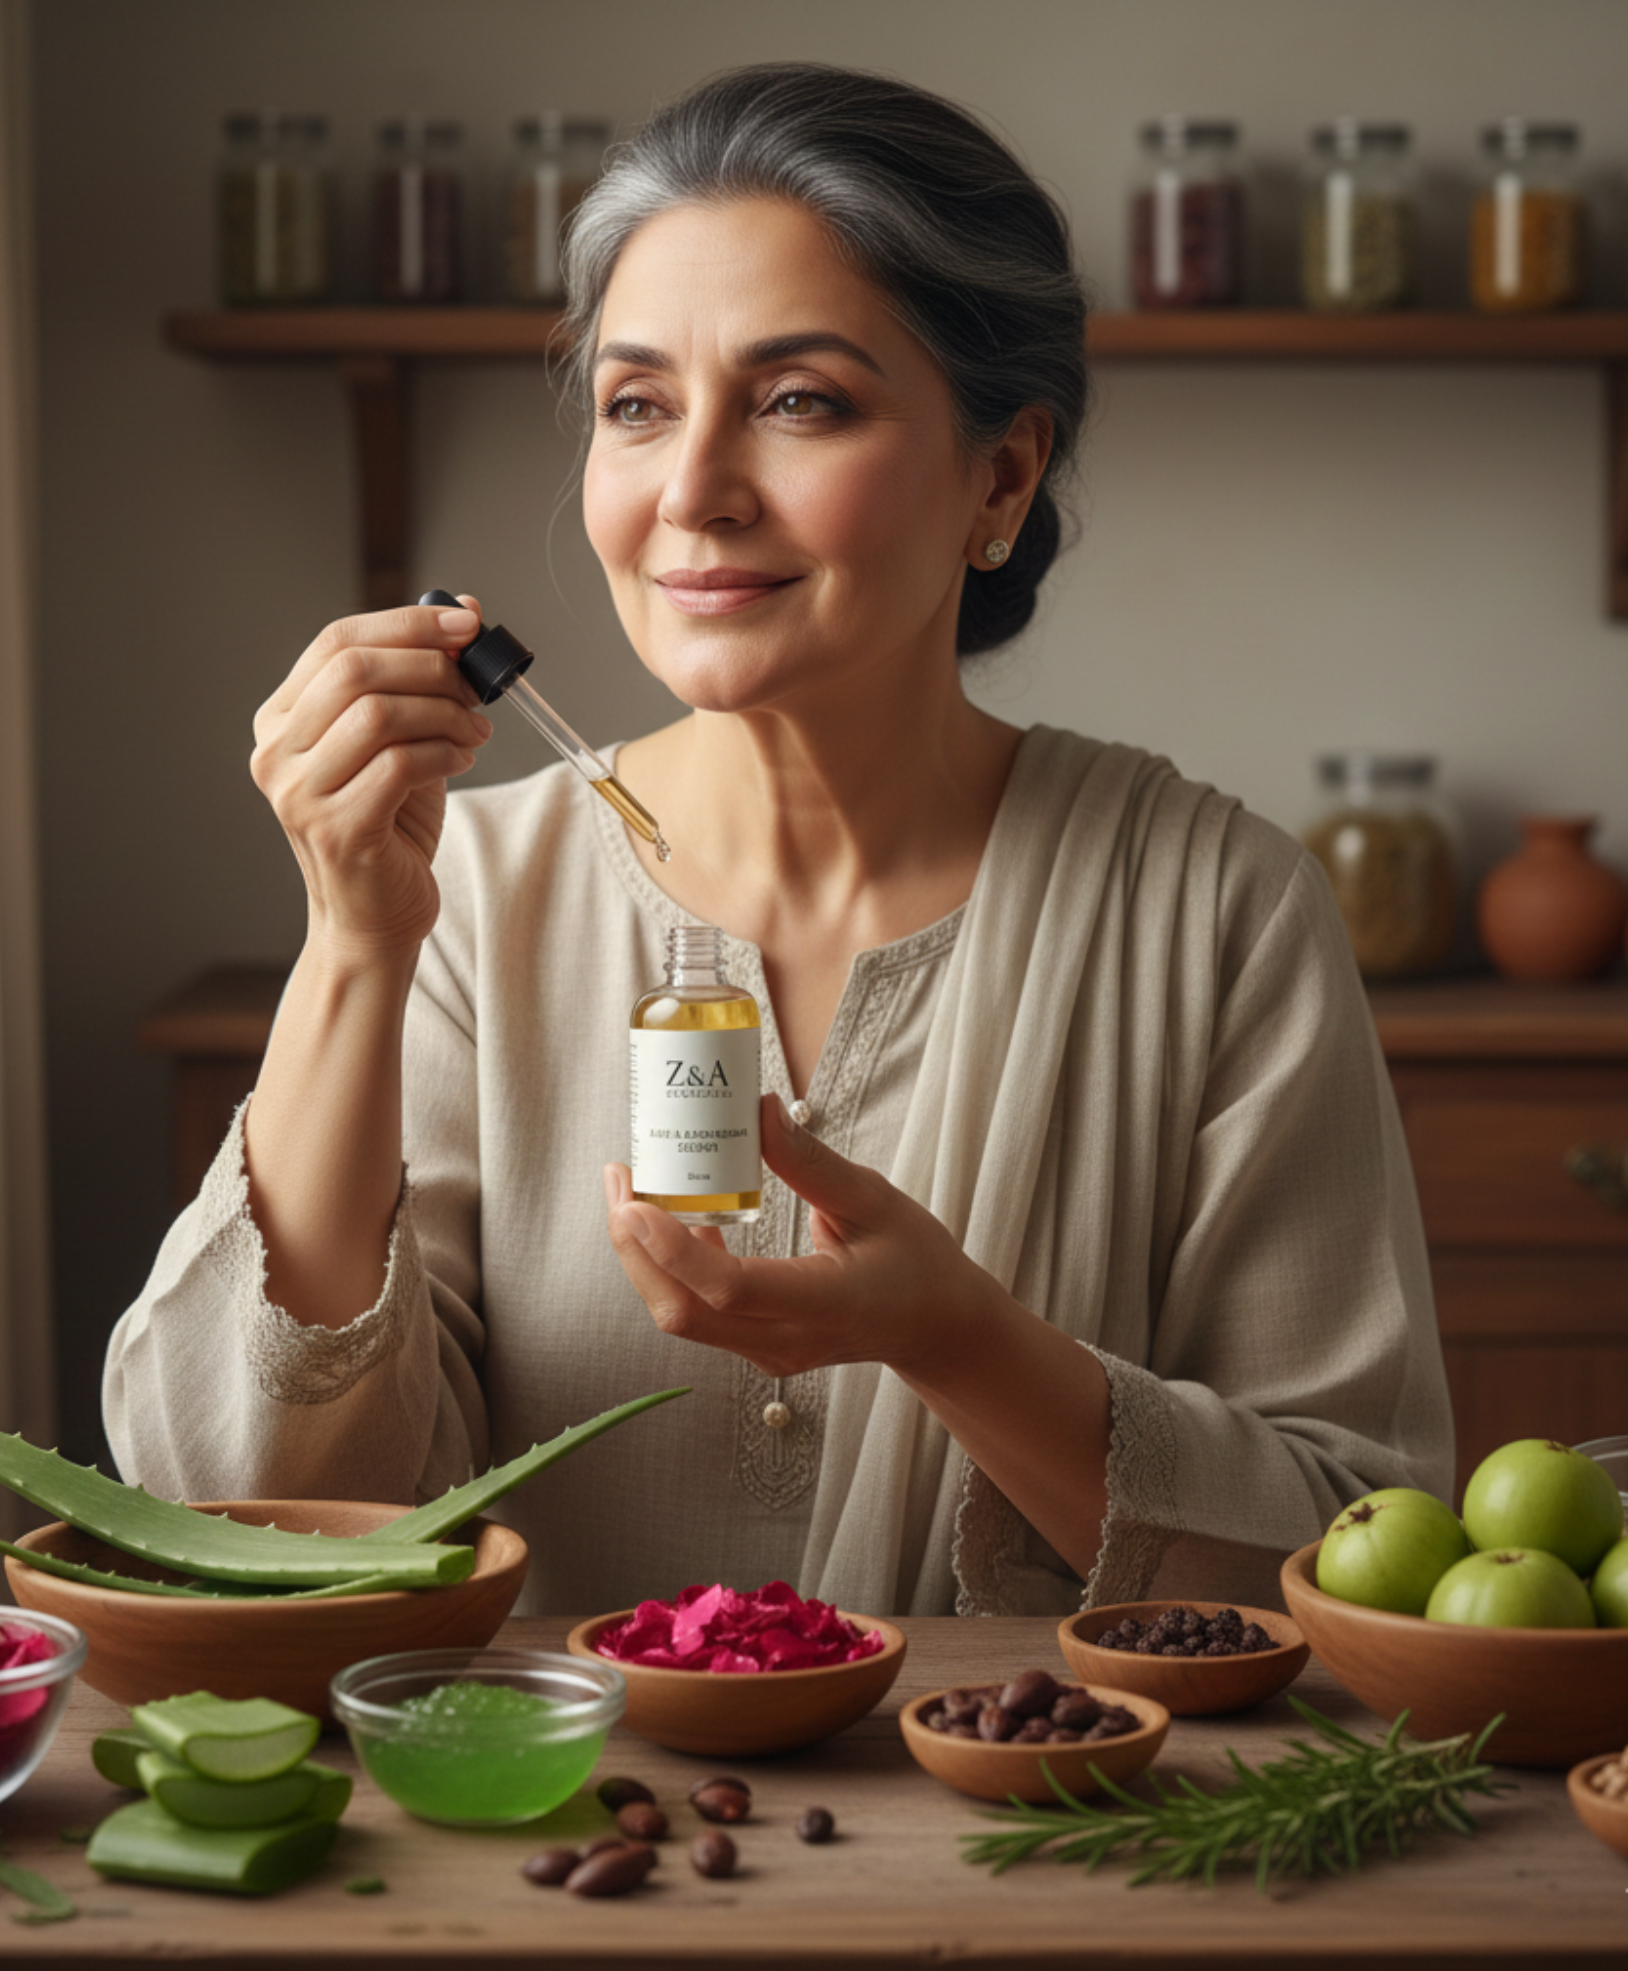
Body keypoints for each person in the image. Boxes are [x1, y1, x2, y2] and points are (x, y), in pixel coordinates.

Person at [105, 62, 1452, 1618]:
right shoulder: (462, 900)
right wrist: (352, 945)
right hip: (528, 1837)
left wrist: (959, 1342)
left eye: (800, 401)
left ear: (999, 478)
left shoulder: (1216, 912)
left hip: (1060, 1845)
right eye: (637, 407)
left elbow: (1368, 1560)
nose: (693, 492)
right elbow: (253, 1516)